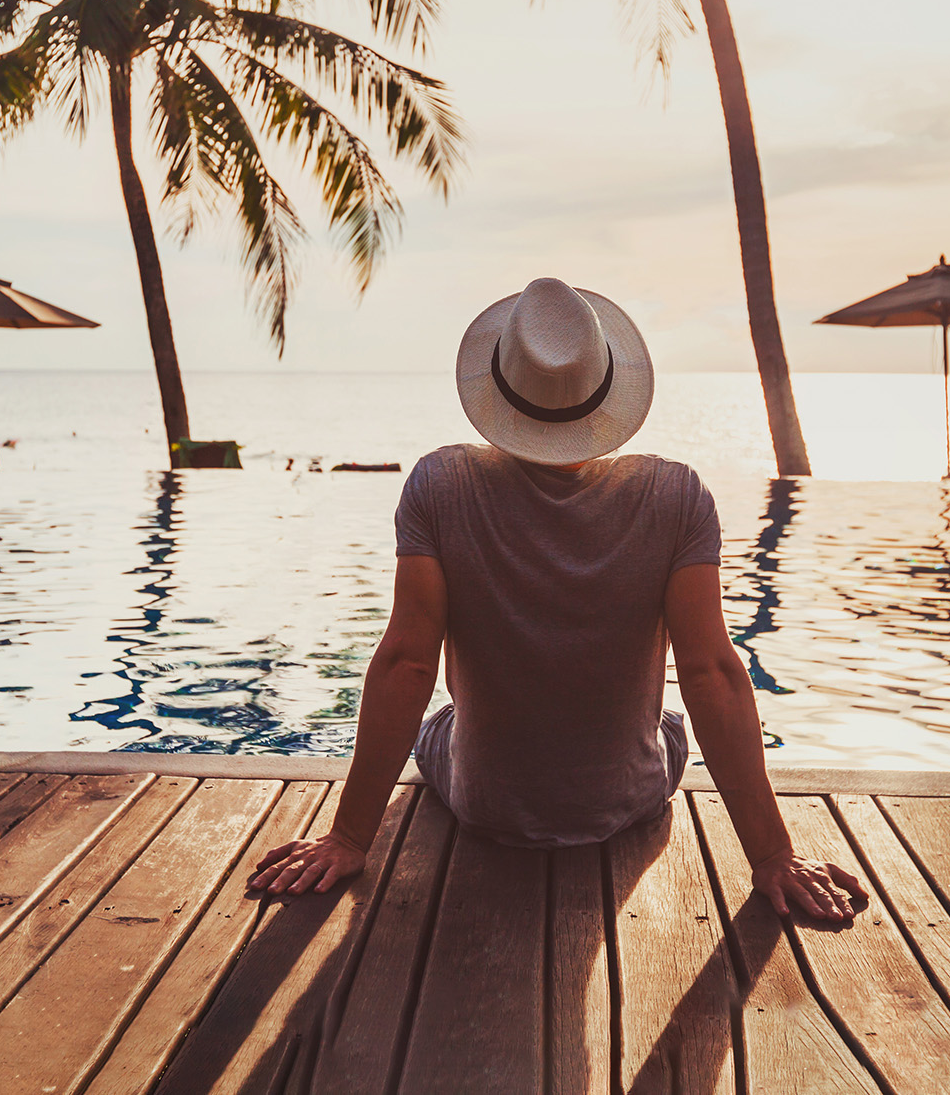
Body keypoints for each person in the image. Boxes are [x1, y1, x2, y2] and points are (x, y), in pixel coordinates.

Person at [249, 278, 865, 920]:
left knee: (440, 720)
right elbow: (711, 673)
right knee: (670, 723)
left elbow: (408, 664)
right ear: (607, 389)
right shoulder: (677, 497)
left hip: (483, 802)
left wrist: (348, 838)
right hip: (625, 800)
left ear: (497, 386)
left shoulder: (440, 485)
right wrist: (772, 857)